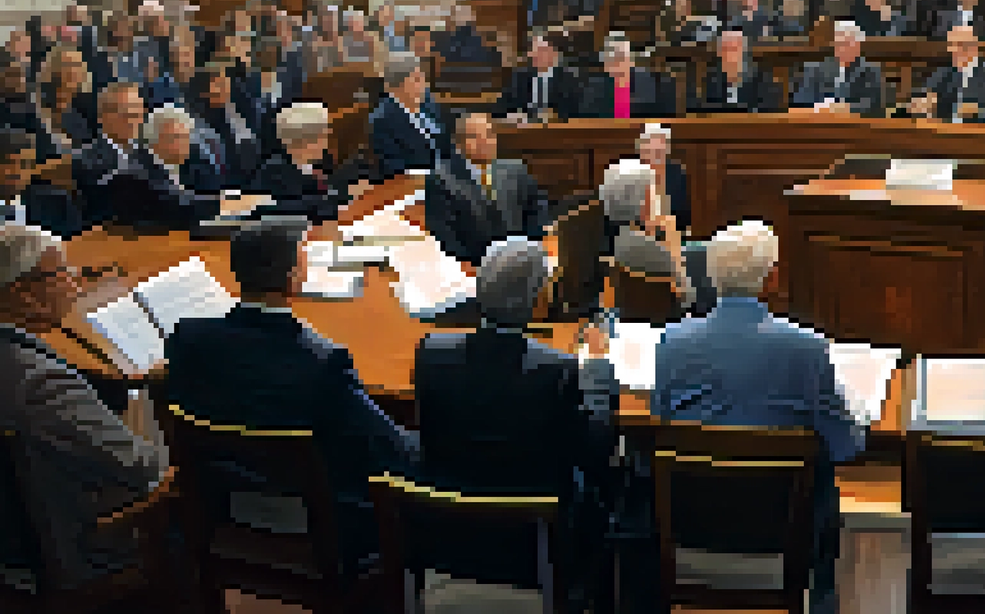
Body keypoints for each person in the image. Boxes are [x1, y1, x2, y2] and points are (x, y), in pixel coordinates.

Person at [164, 217, 420, 572]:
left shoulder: (188, 339)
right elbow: (387, 448)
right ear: (292, 279)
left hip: (226, 504)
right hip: (323, 523)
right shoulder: (323, 362)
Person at [653, 220, 863, 614]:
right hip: (783, 524)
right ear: (772, 278)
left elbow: (660, 424)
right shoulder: (807, 349)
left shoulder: (672, 343)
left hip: (692, 518)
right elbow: (846, 446)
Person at [412, 237, 615, 608]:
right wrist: (599, 368)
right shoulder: (556, 370)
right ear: (538, 299)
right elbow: (597, 447)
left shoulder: (431, 354)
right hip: (531, 545)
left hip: (450, 536)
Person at [0, 224, 168, 590]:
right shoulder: (40, 384)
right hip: (66, 548)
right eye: (63, 274)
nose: (76, 284)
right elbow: (143, 470)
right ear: (24, 293)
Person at [425, 112, 549, 264]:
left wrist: (530, 249)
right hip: (474, 269)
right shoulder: (441, 181)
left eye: (489, 135)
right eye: (474, 137)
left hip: (521, 261)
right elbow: (447, 241)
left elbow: (537, 211)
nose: (484, 142)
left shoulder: (516, 170)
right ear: (458, 144)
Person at [106, 104, 220, 232]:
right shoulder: (137, 172)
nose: (185, 145)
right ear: (154, 139)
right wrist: (221, 205)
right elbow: (178, 206)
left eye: (187, 137)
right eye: (177, 137)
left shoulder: (190, 164)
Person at [600, 158, 694, 309]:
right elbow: (687, 298)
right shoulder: (649, 251)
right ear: (640, 201)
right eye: (652, 193)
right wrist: (673, 244)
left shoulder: (613, 236)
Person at [251, 102, 356, 223]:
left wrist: (347, 193)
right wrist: (329, 201)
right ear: (299, 143)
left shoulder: (320, 160)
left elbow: (330, 192)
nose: (325, 144)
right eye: (321, 138)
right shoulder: (274, 171)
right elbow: (277, 210)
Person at [73, 81, 146, 226]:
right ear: (102, 116)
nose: (131, 119)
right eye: (124, 111)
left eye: (136, 111)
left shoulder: (148, 153)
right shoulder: (87, 159)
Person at [911, 25, 985, 123]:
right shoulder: (943, 74)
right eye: (951, 45)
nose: (953, 50)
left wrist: (977, 113)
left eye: (960, 45)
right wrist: (923, 103)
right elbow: (925, 95)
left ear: (974, 47)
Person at [184, 65, 263, 194]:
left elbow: (248, 141)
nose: (225, 89)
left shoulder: (230, 111)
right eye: (219, 84)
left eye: (226, 83)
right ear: (203, 91)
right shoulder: (193, 119)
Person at [370, 51, 443, 178]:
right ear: (399, 85)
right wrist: (435, 176)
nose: (424, 85)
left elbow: (443, 139)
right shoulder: (382, 120)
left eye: (422, 78)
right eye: (416, 80)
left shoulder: (427, 101)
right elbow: (395, 169)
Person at [0, 128, 82, 237]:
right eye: (8, 163)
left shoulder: (57, 202)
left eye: (24, 165)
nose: (16, 171)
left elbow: (77, 246)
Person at [791, 21, 885, 116]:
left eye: (847, 44)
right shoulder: (815, 70)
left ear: (858, 46)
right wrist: (821, 109)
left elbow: (873, 106)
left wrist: (845, 108)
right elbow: (800, 103)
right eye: (839, 44)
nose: (842, 48)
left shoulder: (870, 71)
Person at [576, 37, 678, 119]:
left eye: (621, 57)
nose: (616, 63)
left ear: (631, 61)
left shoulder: (650, 82)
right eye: (611, 58)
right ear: (605, 64)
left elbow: (658, 116)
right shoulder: (594, 87)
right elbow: (587, 117)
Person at [688, 30, 778, 113]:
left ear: (744, 52)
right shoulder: (711, 80)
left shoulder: (763, 79)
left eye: (733, 49)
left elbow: (769, 110)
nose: (728, 55)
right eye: (724, 49)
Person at [496, 32, 576, 121]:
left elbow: (572, 113)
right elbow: (499, 108)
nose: (533, 55)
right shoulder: (519, 77)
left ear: (555, 54)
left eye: (541, 50)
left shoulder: (569, 80)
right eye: (532, 50)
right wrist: (512, 116)